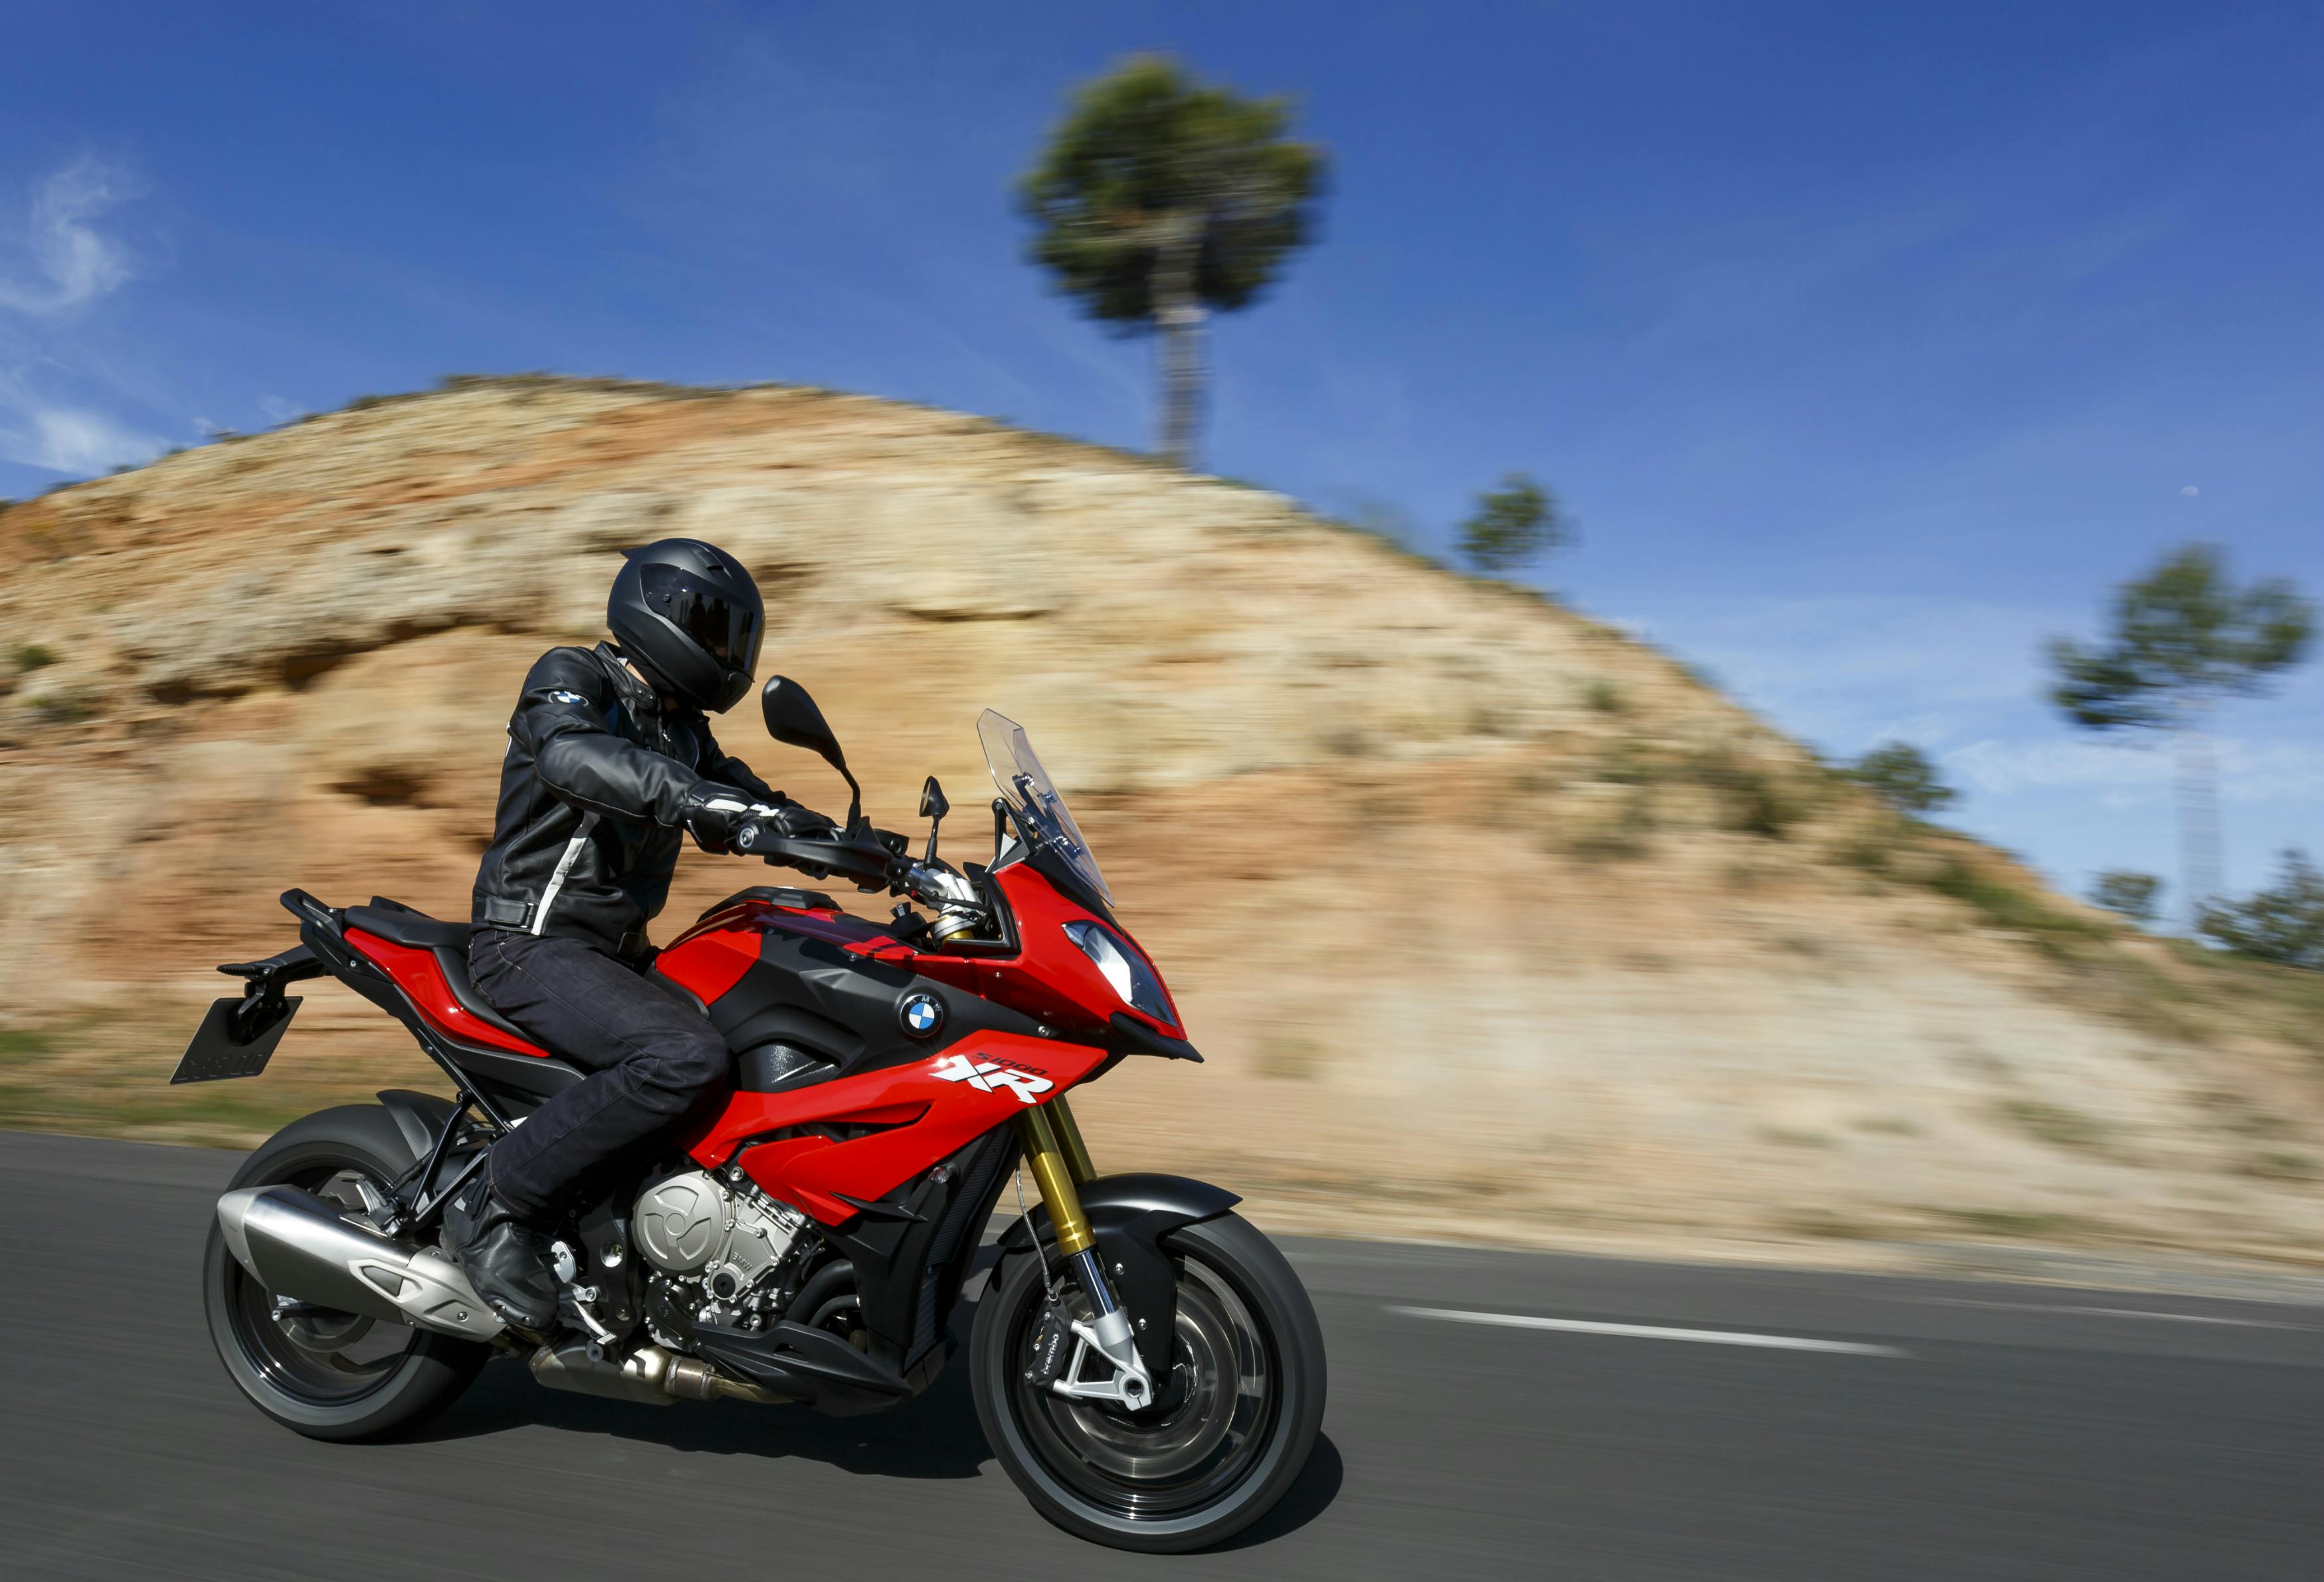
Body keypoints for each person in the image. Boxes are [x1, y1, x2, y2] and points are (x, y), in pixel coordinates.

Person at [445, 538, 835, 1329]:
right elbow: (572, 756)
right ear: (653, 609)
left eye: (736, 639)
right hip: (528, 944)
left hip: (616, 956)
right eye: (714, 630)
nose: (728, 653)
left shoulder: (684, 729)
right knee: (680, 1056)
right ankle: (497, 1203)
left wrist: (851, 844)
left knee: (775, 1024)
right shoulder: (573, 678)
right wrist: (689, 798)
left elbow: (748, 797)